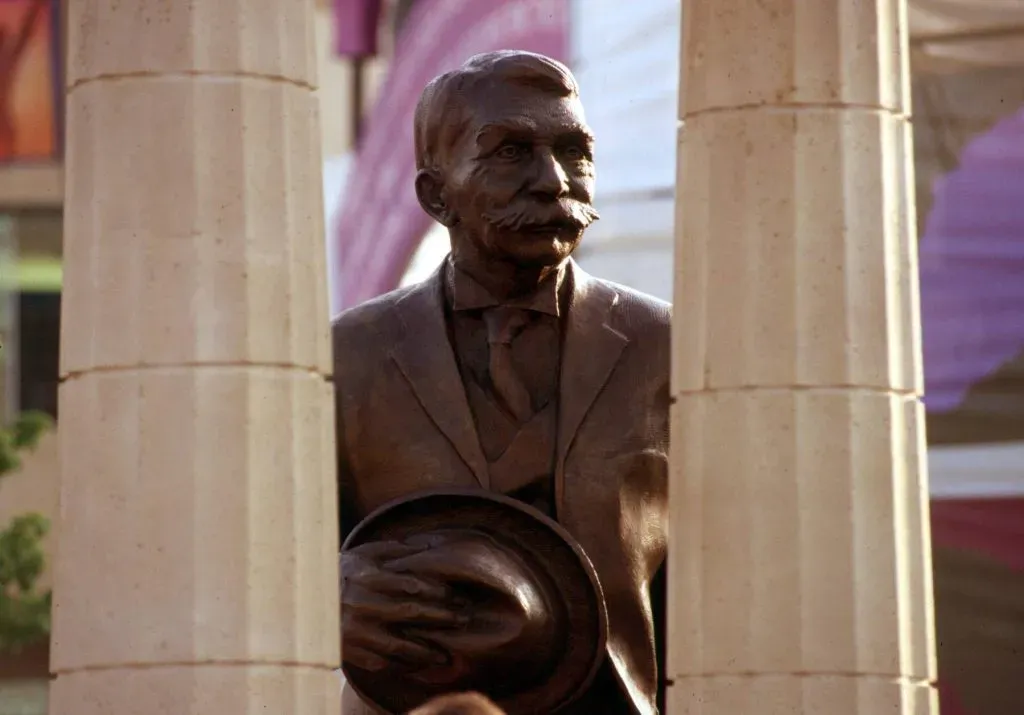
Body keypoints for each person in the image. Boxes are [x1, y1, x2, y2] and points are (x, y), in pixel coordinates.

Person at [333, 50, 669, 715]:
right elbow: (269, 558)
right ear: (435, 194)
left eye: (574, 152)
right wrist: (327, 594)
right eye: (511, 152)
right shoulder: (348, 355)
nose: (553, 180)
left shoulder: (668, 349)